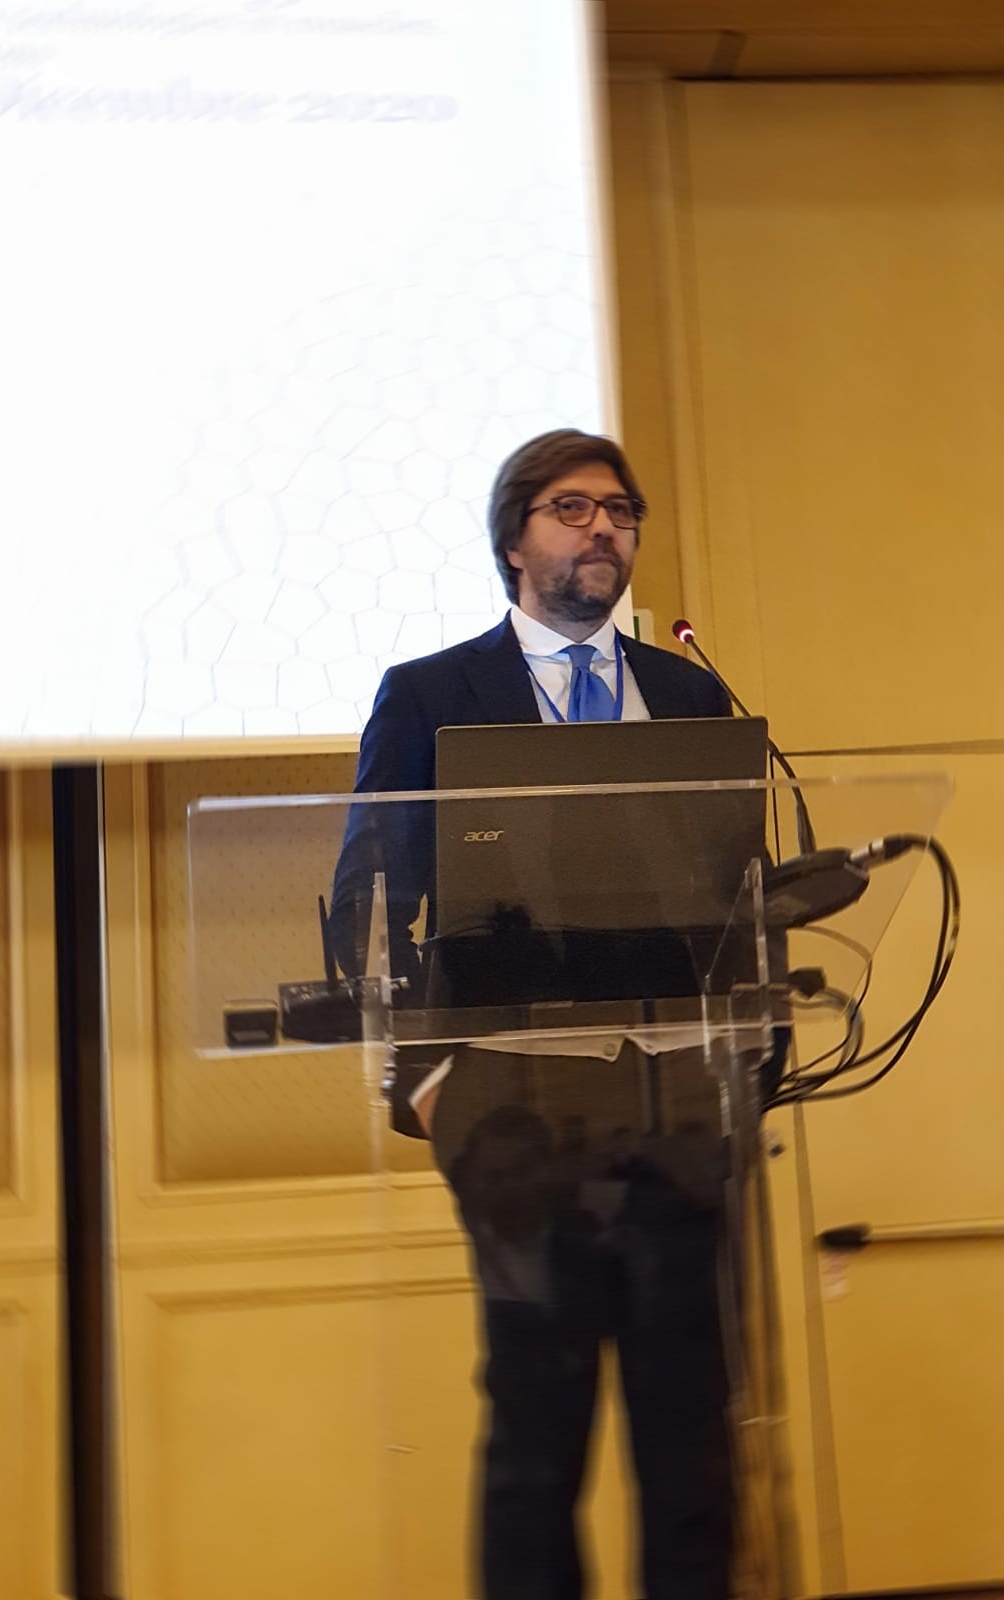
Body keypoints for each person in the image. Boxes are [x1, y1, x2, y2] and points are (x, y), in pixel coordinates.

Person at [331, 429, 754, 1600]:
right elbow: (370, 900)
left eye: (621, 509)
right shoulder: (430, 693)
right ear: (513, 538)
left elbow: (740, 900)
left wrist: (745, 1065)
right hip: (511, 1108)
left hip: (678, 1105)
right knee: (536, 1435)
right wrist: (424, 1082)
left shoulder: (690, 691)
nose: (603, 527)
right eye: (572, 507)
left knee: (691, 1436)